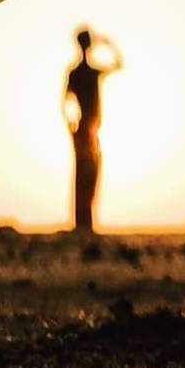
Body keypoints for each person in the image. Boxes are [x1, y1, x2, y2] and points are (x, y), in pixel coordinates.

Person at [63, 28, 122, 233]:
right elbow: (66, 101)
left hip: (89, 128)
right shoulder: (84, 73)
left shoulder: (82, 72)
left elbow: (65, 102)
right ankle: (83, 223)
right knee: (86, 173)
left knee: (86, 174)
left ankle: (85, 222)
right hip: (86, 128)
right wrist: (107, 43)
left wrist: (71, 125)